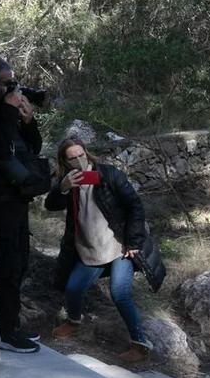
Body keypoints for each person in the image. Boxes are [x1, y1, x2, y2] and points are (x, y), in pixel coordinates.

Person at [45, 138, 158, 360]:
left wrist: (133, 242)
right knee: (73, 288)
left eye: (81, 154)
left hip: (118, 247)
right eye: (72, 157)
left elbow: (134, 205)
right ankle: (74, 322)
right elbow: (50, 205)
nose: (79, 160)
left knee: (120, 293)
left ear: (87, 152)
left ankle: (140, 344)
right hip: (88, 249)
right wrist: (63, 188)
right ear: (64, 161)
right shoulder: (66, 180)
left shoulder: (109, 174)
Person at [0, 54, 45, 352]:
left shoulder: (8, 111)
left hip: (18, 199)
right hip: (0, 200)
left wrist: (28, 120)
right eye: (7, 84)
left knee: (20, 263)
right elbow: (0, 147)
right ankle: (5, 331)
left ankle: (12, 324)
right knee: (6, 266)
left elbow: (32, 147)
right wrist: (8, 113)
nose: (13, 89)